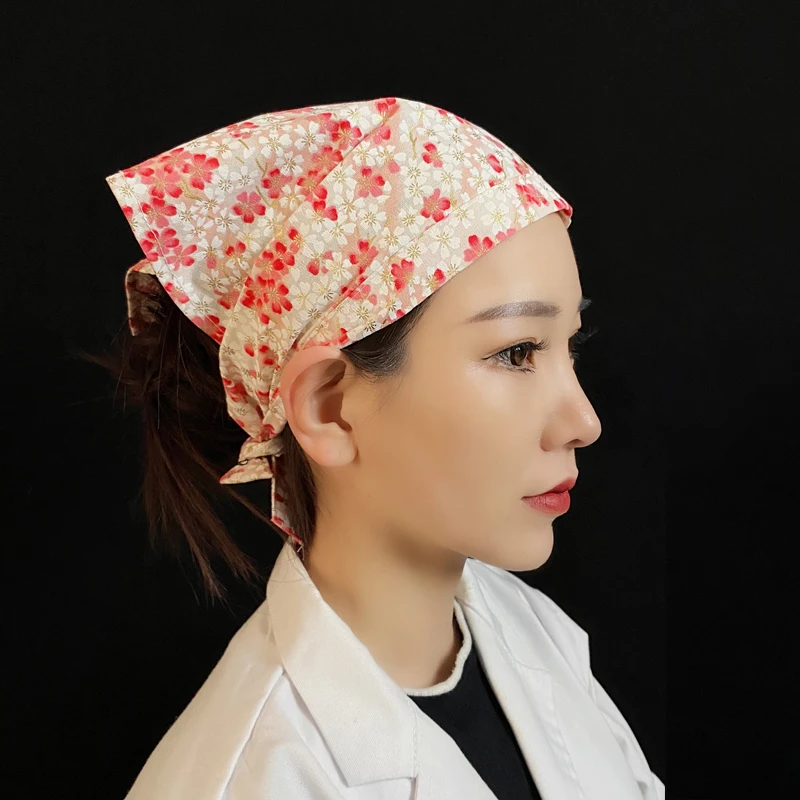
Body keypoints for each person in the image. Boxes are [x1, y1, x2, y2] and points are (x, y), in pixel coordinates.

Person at [98, 96, 665, 799]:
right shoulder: (254, 778)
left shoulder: (536, 635)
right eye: (517, 351)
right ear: (329, 408)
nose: (583, 422)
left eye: (567, 346)